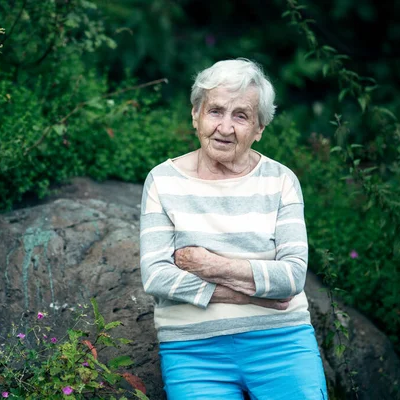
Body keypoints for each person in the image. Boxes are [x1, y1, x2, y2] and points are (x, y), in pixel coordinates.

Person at [139, 58, 328, 400]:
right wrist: (254, 293)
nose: (225, 127)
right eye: (216, 111)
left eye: (241, 116)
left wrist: (208, 265)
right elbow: (156, 277)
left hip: (282, 344)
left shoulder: (281, 181)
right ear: (195, 114)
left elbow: (291, 277)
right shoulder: (162, 181)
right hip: (193, 350)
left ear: (259, 129)